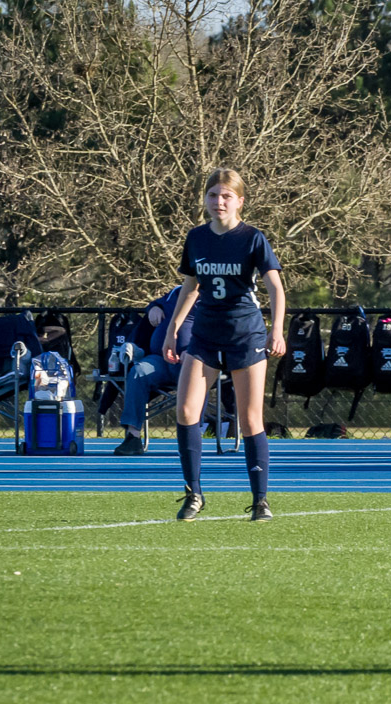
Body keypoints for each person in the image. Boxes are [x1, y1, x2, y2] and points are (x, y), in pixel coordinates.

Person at [163, 169, 287, 522]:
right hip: (204, 334)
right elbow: (190, 287)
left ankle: (260, 500)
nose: (219, 202)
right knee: (186, 412)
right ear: (205, 199)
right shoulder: (197, 238)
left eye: (226, 196)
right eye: (213, 195)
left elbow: (276, 288)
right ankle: (194, 494)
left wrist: (276, 331)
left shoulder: (252, 238)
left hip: (244, 334)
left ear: (240, 201)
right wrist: (174, 330)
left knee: (249, 419)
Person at [112, 286, 194, 455]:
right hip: (160, 359)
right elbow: (158, 303)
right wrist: (154, 308)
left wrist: (197, 350)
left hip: (193, 361)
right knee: (138, 372)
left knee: (196, 370)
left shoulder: (212, 298)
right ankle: (133, 437)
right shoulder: (176, 293)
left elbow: (218, 329)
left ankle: (191, 439)